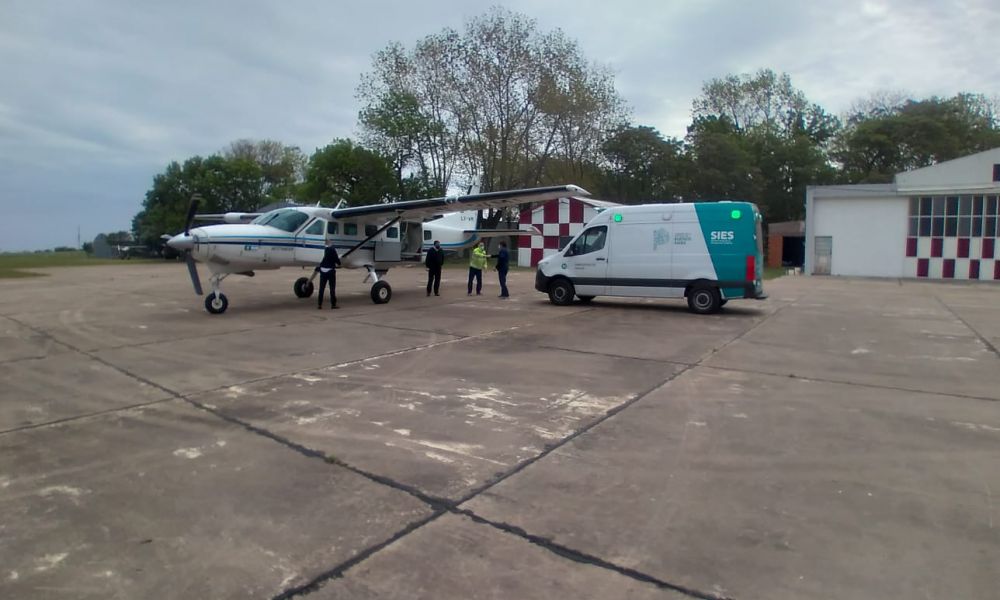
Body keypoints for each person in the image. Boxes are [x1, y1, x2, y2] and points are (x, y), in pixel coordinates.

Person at [316, 242, 341, 309]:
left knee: (321, 288)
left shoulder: (325, 250)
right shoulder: (333, 250)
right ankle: (333, 304)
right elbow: (337, 260)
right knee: (332, 288)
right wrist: (339, 263)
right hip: (330, 271)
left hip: (322, 270)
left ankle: (319, 304)